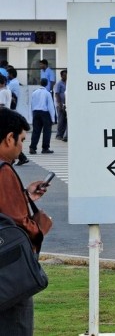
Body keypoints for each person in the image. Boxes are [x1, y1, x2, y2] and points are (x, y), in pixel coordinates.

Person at [0, 108, 52, 335]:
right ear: (9, 138)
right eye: (21, 140)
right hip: (10, 272)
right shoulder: (4, 171)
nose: (21, 147)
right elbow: (17, 223)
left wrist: (25, 196)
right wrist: (40, 226)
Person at [28, 79, 55, 155]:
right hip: (45, 113)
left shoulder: (34, 93)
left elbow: (32, 104)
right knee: (47, 131)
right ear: (46, 84)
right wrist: (52, 118)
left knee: (36, 131)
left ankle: (32, 147)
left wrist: (32, 115)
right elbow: (50, 106)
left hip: (36, 112)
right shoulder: (47, 93)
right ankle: (45, 148)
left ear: (40, 83)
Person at [54, 70, 67, 142]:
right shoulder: (59, 84)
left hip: (67, 104)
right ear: (61, 76)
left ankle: (64, 135)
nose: (66, 76)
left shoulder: (68, 83)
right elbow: (57, 94)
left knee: (66, 120)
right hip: (61, 105)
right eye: (64, 75)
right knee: (61, 120)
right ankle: (59, 135)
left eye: (66, 75)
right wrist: (60, 104)